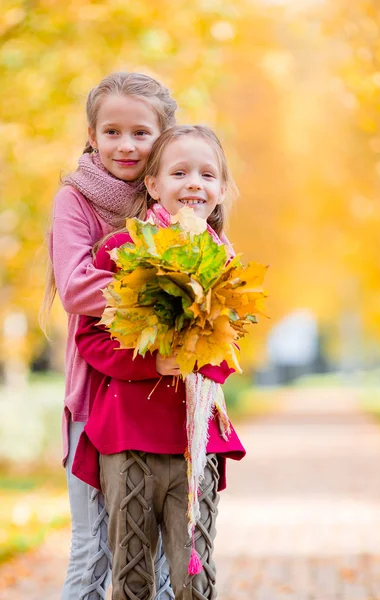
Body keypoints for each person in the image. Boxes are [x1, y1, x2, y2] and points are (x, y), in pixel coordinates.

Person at [72, 125, 246, 600]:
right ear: (153, 185)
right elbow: (92, 339)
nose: (194, 183)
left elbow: (231, 345)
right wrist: (155, 363)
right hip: (130, 436)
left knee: (195, 575)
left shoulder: (225, 261)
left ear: (221, 189)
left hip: (195, 443)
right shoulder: (122, 251)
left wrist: (202, 357)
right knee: (131, 574)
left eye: (207, 174)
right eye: (180, 172)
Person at [41, 72, 177, 600]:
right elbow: (76, 288)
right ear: (92, 135)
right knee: (93, 544)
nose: (127, 145)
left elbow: (211, 274)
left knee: (163, 549)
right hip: (94, 395)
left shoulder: (172, 193)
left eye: (141, 133)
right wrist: (162, 282)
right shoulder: (75, 199)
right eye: (112, 131)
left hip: (161, 393)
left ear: (162, 137)